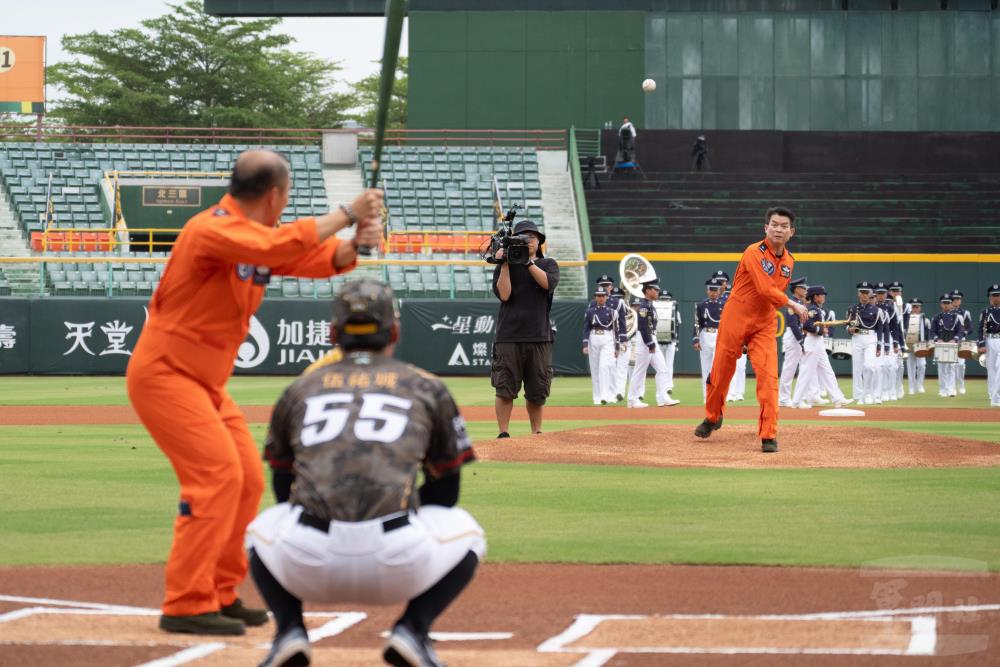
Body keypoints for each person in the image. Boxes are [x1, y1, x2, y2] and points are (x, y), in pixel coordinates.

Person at [125, 149, 384, 635]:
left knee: (244, 477)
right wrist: (349, 212)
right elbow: (277, 247)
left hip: (205, 382)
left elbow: (305, 257)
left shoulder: (254, 236)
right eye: (286, 198)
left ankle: (220, 593)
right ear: (275, 195)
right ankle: (185, 602)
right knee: (216, 477)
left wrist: (354, 244)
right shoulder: (212, 228)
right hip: (166, 374)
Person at [246, 279, 484, 667]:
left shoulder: (300, 389)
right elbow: (447, 491)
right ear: (394, 331)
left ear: (332, 333)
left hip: (307, 561)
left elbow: (282, 486)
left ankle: (289, 631)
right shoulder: (427, 387)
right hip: (399, 563)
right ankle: (413, 629)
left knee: (260, 526)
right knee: (468, 530)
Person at [693, 207, 808, 454]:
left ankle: (769, 435)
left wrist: (786, 303)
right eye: (774, 224)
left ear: (792, 232)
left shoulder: (789, 261)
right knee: (720, 373)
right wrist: (792, 303)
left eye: (784, 225)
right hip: (736, 316)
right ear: (765, 228)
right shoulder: (753, 252)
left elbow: (772, 295)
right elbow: (766, 289)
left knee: (768, 378)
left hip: (765, 322)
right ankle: (712, 417)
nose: (778, 229)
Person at [491, 219, 560, 437]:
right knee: (505, 388)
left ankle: (536, 432)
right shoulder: (506, 265)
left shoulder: (548, 264)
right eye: (522, 237)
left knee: (537, 391)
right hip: (508, 335)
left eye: (532, 237)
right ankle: (503, 433)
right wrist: (504, 263)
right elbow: (504, 294)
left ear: (539, 241)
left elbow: (547, 284)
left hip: (539, 335)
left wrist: (529, 263)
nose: (528, 241)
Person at [790, 285, 852, 408]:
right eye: (821, 295)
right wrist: (821, 330)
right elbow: (806, 326)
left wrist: (821, 330)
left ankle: (838, 398)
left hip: (817, 343)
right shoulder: (812, 309)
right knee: (806, 372)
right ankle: (796, 401)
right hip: (812, 342)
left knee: (827, 371)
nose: (823, 297)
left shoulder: (816, 308)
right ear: (815, 296)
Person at [628, 280, 679, 407]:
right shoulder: (644, 305)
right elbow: (643, 326)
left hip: (651, 338)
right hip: (645, 340)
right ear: (648, 290)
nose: (658, 291)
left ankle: (662, 397)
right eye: (655, 289)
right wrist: (650, 343)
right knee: (640, 370)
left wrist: (652, 342)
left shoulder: (650, 304)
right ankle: (632, 399)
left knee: (662, 369)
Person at [846, 282, 886, 405]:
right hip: (857, 337)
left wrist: (879, 346)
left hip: (871, 339)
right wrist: (849, 330)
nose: (864, 295)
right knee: (857, 369)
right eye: (862, 293)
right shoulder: (852, 308)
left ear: (870, 294)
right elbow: (847, 325)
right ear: (859, 294)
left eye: (866, 293)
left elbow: (880, 329)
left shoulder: (876, 310)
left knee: (869, 366)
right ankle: (858, 396)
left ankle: (868, 394)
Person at [713, 270, 747, 402]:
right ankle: (729, 392)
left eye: (723, 281)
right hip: (723, 333)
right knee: (726, 364)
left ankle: (739, 392)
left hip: (738, 331)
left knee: (741, 365)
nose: (721, 283)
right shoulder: (714, 299)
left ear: (727, 283)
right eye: (718, 280)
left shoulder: (734, 295)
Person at [583, 287, 618, 405]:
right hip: (594, 338)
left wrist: (617, 347)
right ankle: (597, 397)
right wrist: (585, 344)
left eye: (603, 296)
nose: (601, 298)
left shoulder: (612, 312)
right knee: (595, 368)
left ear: (607, 297)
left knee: (604, 366)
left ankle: (605, 395)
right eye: (598, 296)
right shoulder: (590, 311)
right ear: (595, 297)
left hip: (607, 338)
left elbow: (616, 330)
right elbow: (586, 328)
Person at [692, 278, 725, 401]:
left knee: (718, 368)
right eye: (711, 290)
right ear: (707, 291)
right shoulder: (701, 305)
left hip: (719, 335)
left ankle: (717, 396)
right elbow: (696, 323)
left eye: (715, 290)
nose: (713, 293)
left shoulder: (723, 304)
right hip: (705, 335)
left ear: (719, 291)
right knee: (706, 368)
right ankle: (707, 397)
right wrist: (696, 339)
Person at [778, 277, 808, 407]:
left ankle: (800, 397)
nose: (805, 290)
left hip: (797, 335)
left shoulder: (799, 302)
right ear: (796, 289)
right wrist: (801, 340)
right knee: (789, 368)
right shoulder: (792, 303)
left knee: (802, 367)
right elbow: (792, 324)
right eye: (803, 288)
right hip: (793, 336)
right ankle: (784, 398)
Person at [873, 282, 903, 401]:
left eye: (883, 293)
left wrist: (896, 343)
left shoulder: (891, 308)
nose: (881, 295)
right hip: (874, 337)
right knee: (877, 366)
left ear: (886, 294)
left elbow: (895, 327)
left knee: (890, 366)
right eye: (879, 293)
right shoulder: (872, 306)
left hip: (888, 337)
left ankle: (891, 391)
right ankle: (879, 392)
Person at [932, 293, 964, 398]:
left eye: (948, 303)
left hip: (952, 344)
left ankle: (951, 389)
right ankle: (942, 390)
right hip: (940, 344)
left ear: (951, 304)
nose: (946, 305)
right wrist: (937, 339)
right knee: (941, 368)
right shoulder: (937, 317)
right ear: (941, 305)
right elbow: (932, 331)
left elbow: (960, 331)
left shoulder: (956, 317)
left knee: (951, 367)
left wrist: (955, 339)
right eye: (944, 303)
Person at [977, 284, 1000, 407]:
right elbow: (981, 329)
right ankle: (993, 395)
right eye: (993, 296)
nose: (996, 298)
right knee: (991, 370)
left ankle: (996, 397)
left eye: (998, 295)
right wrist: (981, 344)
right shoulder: (985, 312)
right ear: (989, 297)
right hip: (990, 341)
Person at [903, 298, 931, 395]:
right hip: (909, 346)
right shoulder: (905, 319)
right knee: (910, 367)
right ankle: (911, 387)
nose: (915, 309)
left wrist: (927, 345)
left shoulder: (925, 320)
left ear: (920, 308)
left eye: (917, 307)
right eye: (913, 307)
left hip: (921, 345)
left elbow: (928, 334)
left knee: (922, 365)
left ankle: (920, 384)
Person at [658, 290, 683, 398]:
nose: (665, 301)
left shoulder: (674, 310)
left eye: (666, 299)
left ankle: (668, 385)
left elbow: (678, 326)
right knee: (660, 365)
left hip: (671, 341)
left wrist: (677, 341)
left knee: (669, 364)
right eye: (662, 299)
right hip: (659, 341)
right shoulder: (656, 309)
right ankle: (662, 386)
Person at [610, 286, 632, 401]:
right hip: (611, 340)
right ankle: (611, 392)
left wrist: (624, 340)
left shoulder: (624, 305)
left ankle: (620, 392)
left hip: (624, 338)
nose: (618, 299)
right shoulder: (608, 305)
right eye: (615, 297)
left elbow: (627, 319)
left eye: (619, 297)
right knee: (611, 367)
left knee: (622, 367)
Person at [888, 280, 908, 398]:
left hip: (899, 336)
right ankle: (889, 389)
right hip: (888, 336)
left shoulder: (905, 306)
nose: (896, 293)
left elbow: (904, 324)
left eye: (898, 291)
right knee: (888, 365)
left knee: (899, 365)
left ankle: (899, 386)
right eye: (893, 291)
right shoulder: (887, 304)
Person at [950, 289, 972, 395]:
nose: (956, 301)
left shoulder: (965, 313)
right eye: (954, 299)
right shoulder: (946, 312)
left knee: (961, 364)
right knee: (952, 364)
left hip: (961, 341)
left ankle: (961, 385)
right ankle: (953, 387)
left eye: (958, 299)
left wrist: (962, 334)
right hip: (949, 341)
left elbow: (970, 329)